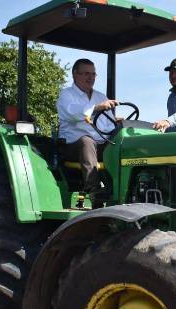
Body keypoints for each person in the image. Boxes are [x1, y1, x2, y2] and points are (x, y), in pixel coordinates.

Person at [57, 58, 118, 208]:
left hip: (100, 144)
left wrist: (117, 121)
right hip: (73, 146)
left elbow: (107, 125)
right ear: (75, 75)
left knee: (120, 142)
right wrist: (96, 108)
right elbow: (72, 113)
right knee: (87, 140)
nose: (90, 78)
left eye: (93, 74)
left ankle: (119, 189)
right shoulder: (66, 95)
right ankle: (94, 192)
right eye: (86, 74)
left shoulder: (100, 96)